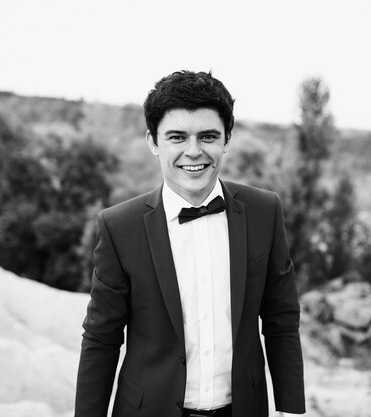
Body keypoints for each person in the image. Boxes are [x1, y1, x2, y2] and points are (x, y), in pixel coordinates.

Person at [75, 70, 305, 417]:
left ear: (227, 138)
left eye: (208, 136)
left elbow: (281, 320)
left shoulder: (264, 211)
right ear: (154, 142)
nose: (193, 152)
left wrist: (291, 410)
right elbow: (102, 338)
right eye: (177, 137)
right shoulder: (119, 226)